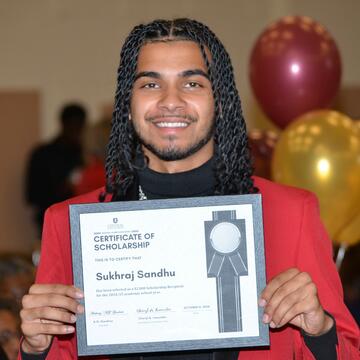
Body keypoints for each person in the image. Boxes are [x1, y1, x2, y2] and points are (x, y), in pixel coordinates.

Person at [19, 18, 359, 359]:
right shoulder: (70, 226)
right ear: (127, 105)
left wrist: (321, 330)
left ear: (221, 101)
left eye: (192, 83)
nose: (171, 101)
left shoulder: (291, 214)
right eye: (151, 85)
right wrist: (35, 348)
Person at [25, 103, 87, 234]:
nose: (75, 132)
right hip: (52, 219)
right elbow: (32, 195)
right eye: (72, 126)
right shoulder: (43, 154)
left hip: (84, 221)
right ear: (63, 124)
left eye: (79, 127)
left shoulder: (86, 154)